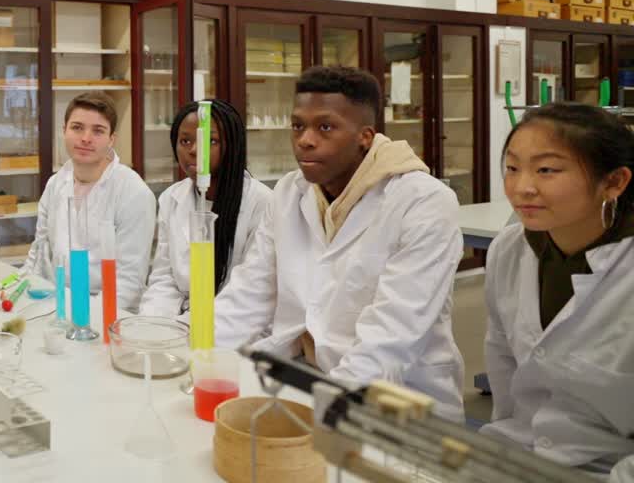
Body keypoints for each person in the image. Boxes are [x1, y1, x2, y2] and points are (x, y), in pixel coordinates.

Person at [215, 66, 465, 420]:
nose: (305, 139)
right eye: (298, 125)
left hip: (393, 400)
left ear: (365, 136)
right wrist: (198, 354)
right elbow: (249, 293)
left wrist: (322, 408)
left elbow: (391, 336)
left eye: (325, 127)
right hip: (301, 376)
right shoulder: (289, 192)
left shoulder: (422, 201)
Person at [484, 103, 634, 474]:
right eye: (513, 168)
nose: (522, 188)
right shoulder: (510, 249)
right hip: (516, 457)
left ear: (614, 182)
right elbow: (503, 365)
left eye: (546, 170)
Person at [22, 92, 156, 312]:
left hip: (107, 313)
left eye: (98, 131)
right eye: (77, 127)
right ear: (64, 130)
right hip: (54, 304)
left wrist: (85, 317)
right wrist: (23, 293)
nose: (85, 138)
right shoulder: (55, 185)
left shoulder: (134, 192)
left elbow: (128, 283)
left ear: (112, 139)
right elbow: (37, 256)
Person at [139, 99, 272, 319]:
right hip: (182, 322)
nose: (193, 150)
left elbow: (250, 292)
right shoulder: (171, 198)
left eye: (210, 141)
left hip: (234, 325)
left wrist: (194, 325)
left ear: (232, 145)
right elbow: (164, 278)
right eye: (184, 141)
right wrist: (154, 324)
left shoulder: (262, 202)